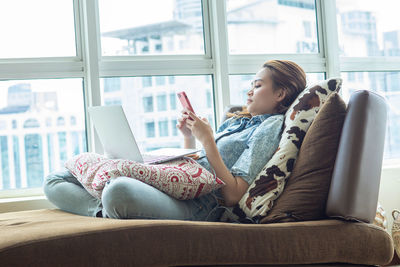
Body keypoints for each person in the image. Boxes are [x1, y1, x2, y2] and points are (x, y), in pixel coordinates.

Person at [43, 59, 307, 223]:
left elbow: (233, 194)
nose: (249, 90)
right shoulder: (238, 120)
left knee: (117, 190)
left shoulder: (269, 128)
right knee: (56, 179)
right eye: (251, 83)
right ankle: (105, 213)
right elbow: (197, 169)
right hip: (182, 187)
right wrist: (189, 138)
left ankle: (110, 208)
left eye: (258, 85)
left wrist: (209, 142)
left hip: (200, 206)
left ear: (280, 93)